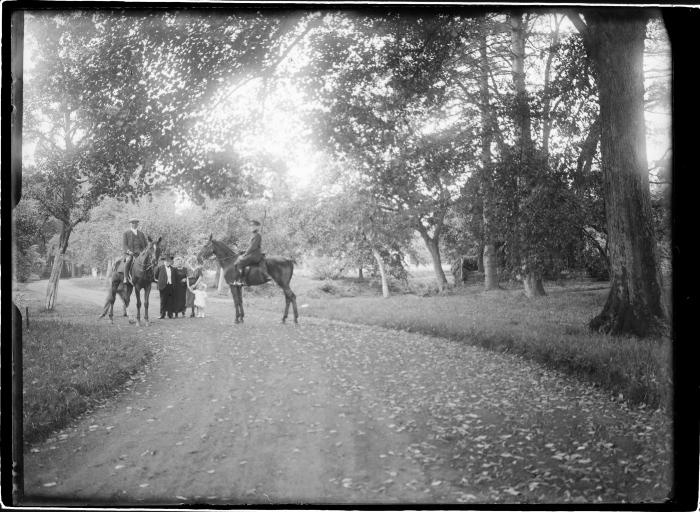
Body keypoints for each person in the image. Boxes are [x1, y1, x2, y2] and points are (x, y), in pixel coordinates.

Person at [232, 220, 271, 286]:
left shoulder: (258, 236)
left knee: (239, 262)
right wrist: (244, 251)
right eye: (251, 226)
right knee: (239, 258)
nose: (251, 227)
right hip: (252, 254)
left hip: (255, 255)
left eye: (253, 226)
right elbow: (251, 246)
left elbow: (253, 247)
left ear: (257, 227)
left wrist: (245, 253)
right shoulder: (254, 235)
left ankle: (241, 280)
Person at [122, 217, 148, 284]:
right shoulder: (126, 233)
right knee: (128, 260)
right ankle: (125, 277)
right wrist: (128, 251)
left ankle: (150, 277)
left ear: (137, 224)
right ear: (130, 224)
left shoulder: (141, 233)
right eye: (133, 223)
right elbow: (124, 245)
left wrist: (144, 251)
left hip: (140, 253)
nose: (134, 225)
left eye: (136, 223)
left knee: (149, 261)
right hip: (130, 253)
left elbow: (145, 244)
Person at [154, 254, 174, 319]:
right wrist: (160, 282)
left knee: (170, 301)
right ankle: (162, 314)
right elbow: (156, 276)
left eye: (169, 261)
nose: (167, 262)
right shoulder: (160, 268)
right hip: (163, 286)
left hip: (170, 286)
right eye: (166, 261)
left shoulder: (173, 269)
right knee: (163, 301)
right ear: (164, 261)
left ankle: (170, 314)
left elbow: (174, 277)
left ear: (170, 262)